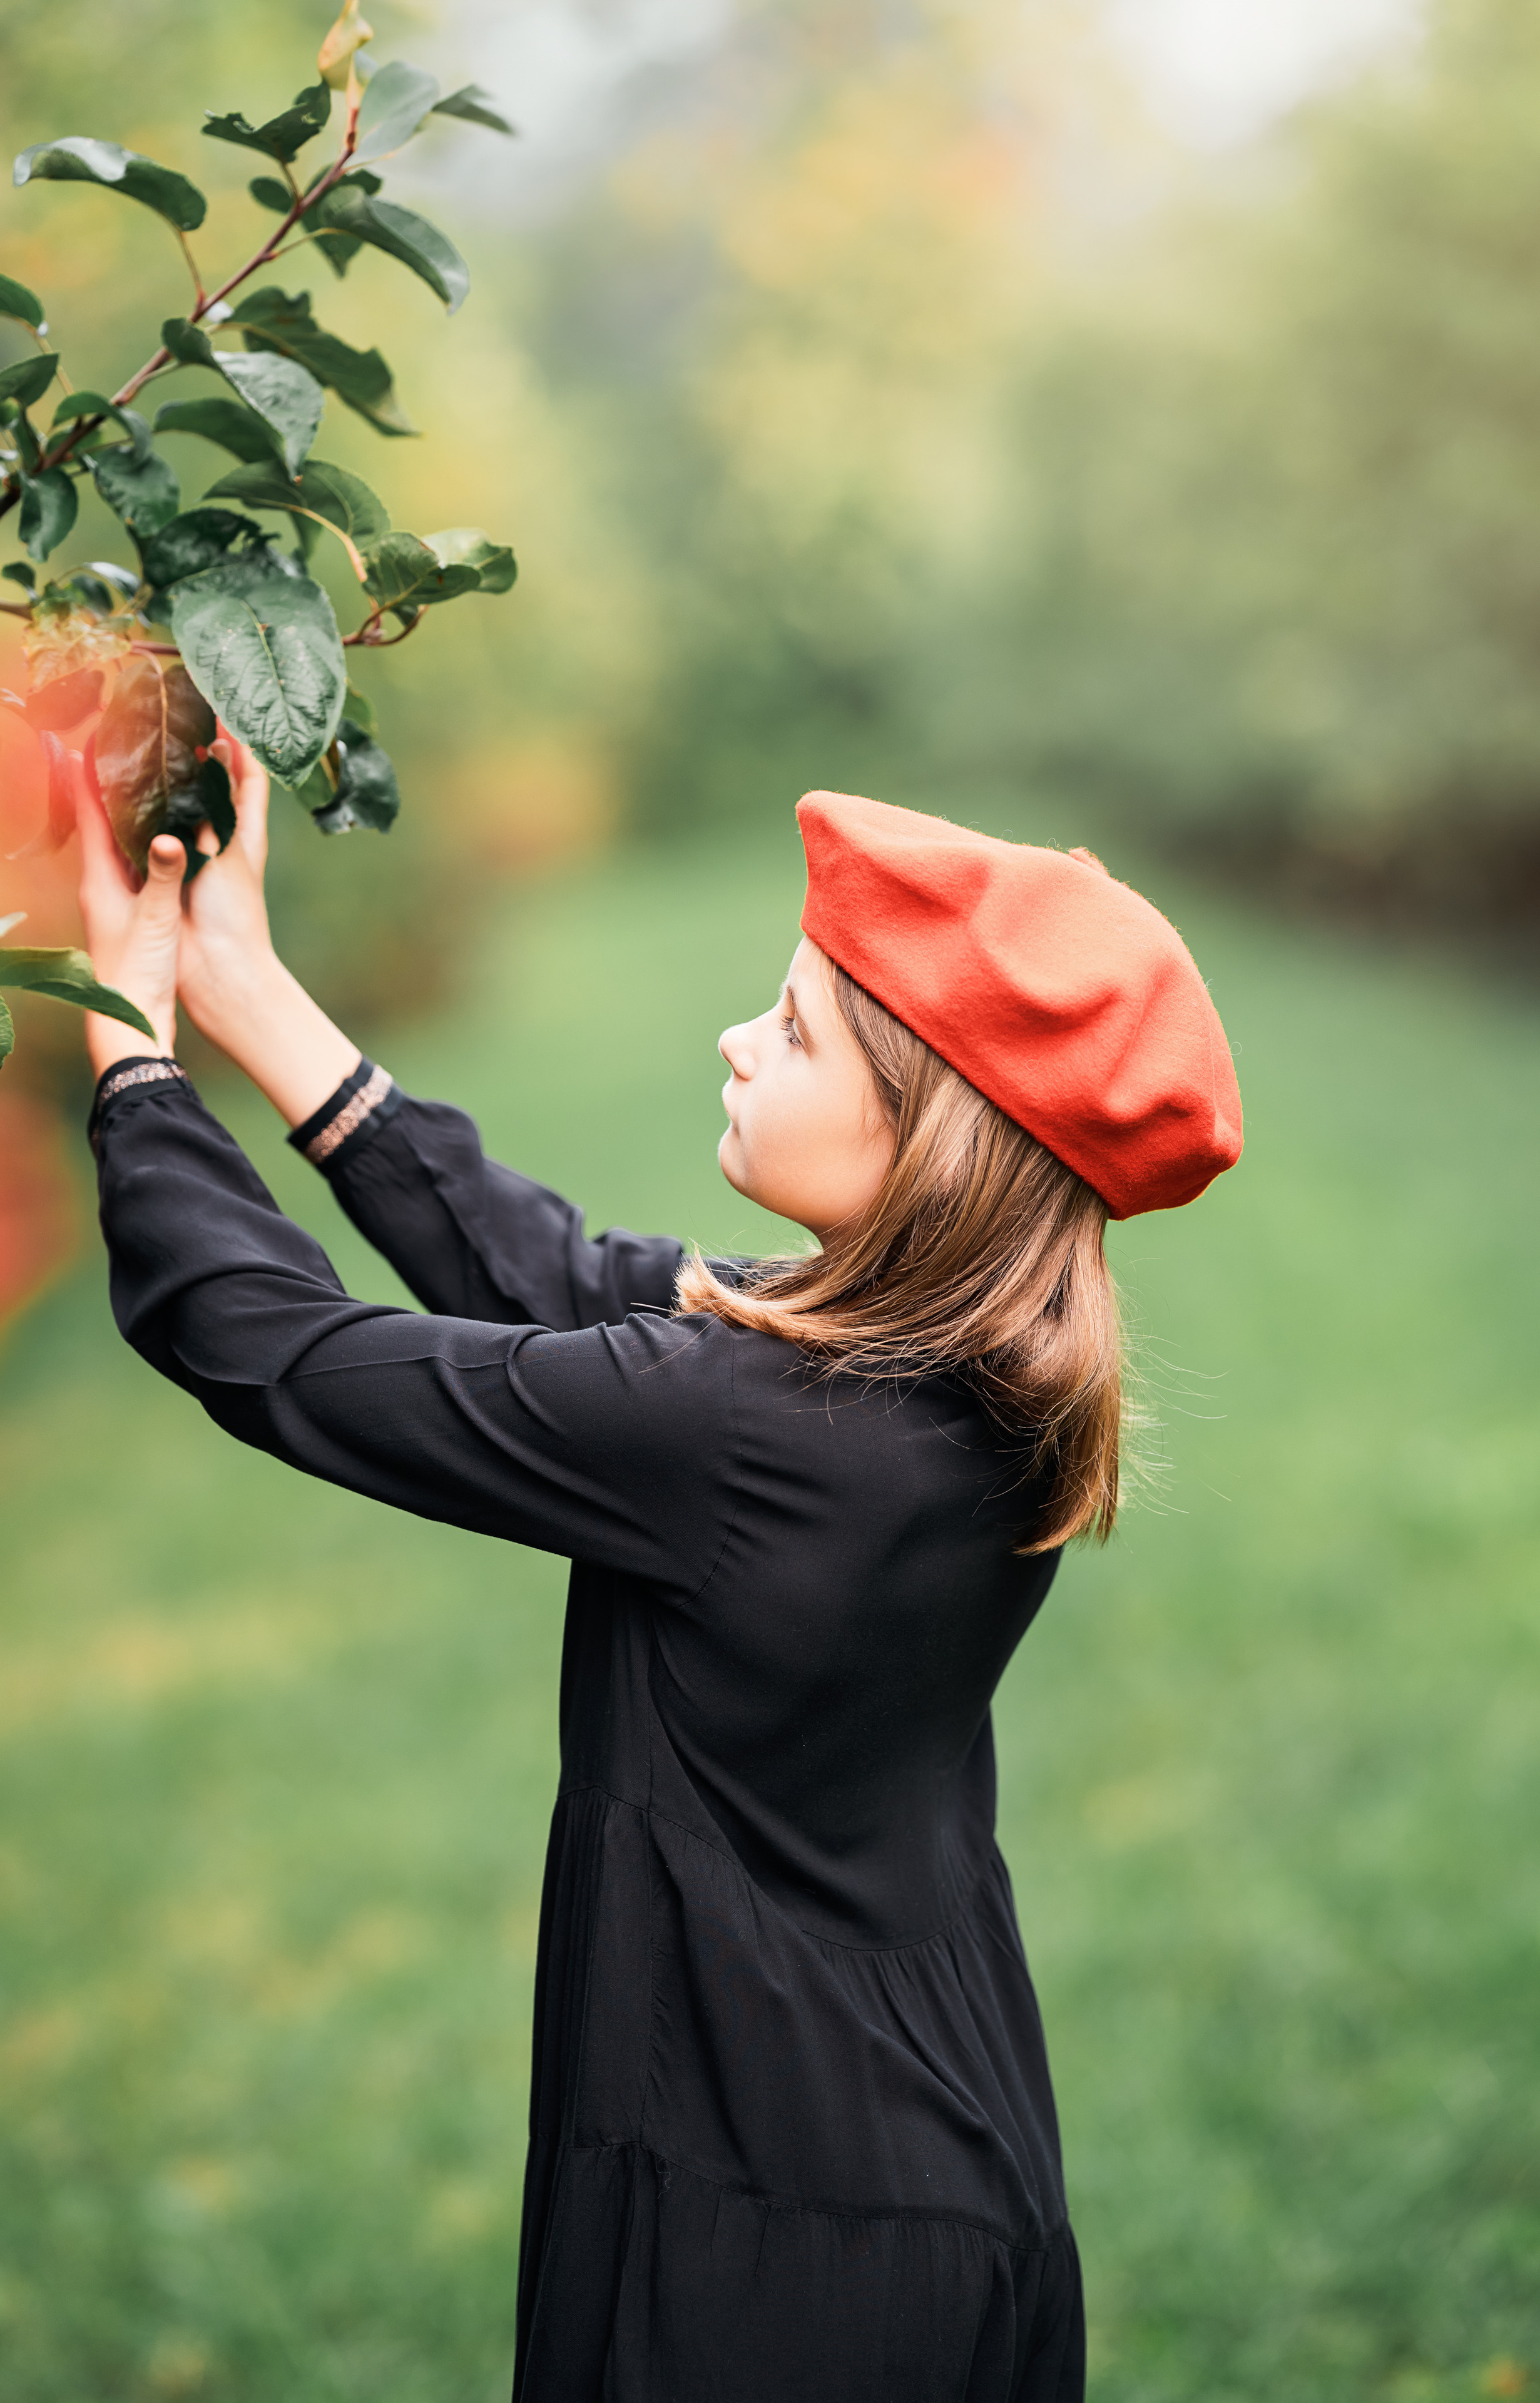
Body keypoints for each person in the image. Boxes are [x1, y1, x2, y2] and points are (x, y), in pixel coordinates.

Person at [76, 738, 1242, 2403]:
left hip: (763, 2232)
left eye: (796, 1029)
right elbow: (551, 1270)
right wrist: (243, 982)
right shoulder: (958, 1372)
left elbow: (275, 1349)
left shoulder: (751, 1421)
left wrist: (130, 1052)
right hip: (943, 2168)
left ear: (932, 1145)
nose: (738, 1038)